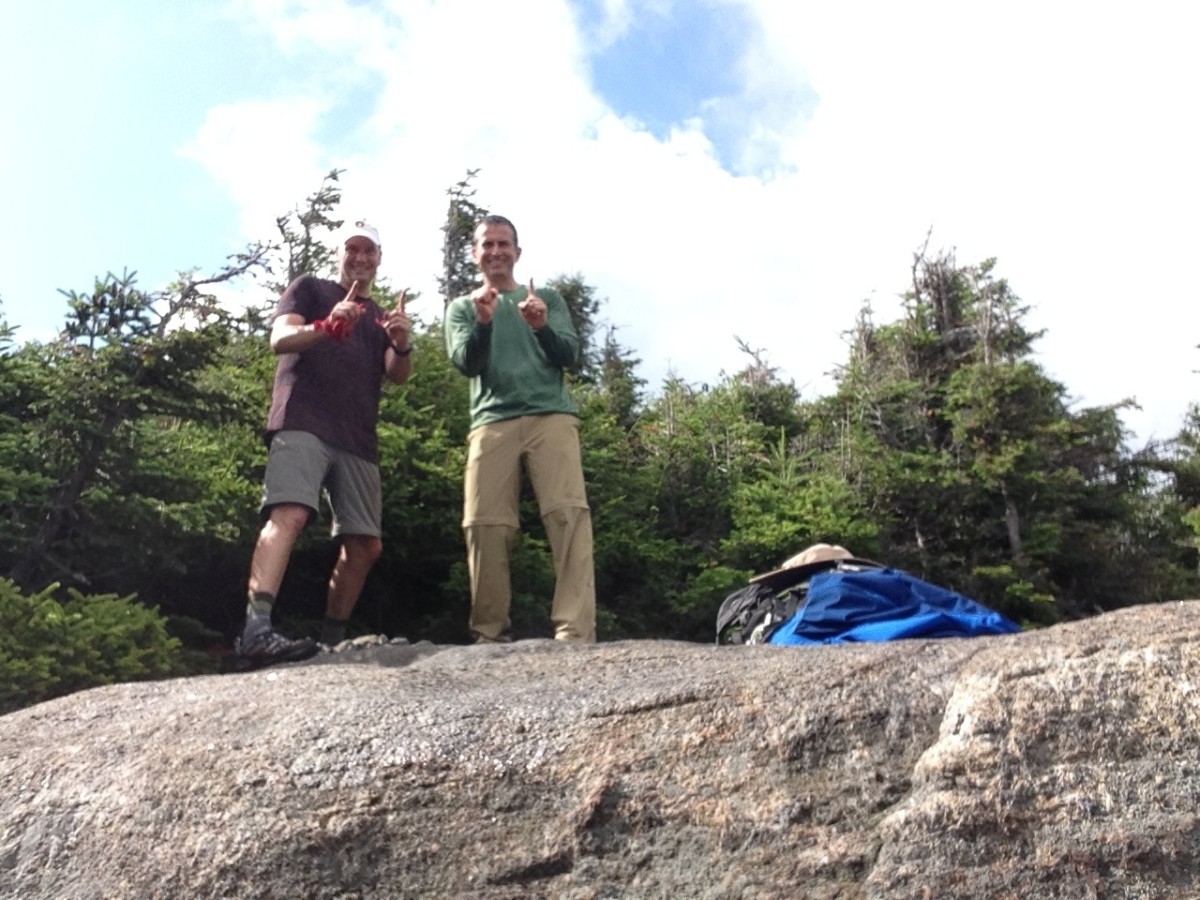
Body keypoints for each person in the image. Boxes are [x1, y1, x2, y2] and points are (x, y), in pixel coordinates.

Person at [234, 219, 413, 669]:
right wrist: (327, 325)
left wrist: (401, 343)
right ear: (339, 253)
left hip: (357, 436)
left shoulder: (378, 316)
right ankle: (255, 629)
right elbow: (280, 339)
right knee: (289, 514)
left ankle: (332, 640)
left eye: (368, 250)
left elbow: (397, 375)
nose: (360, 257)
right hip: (303, 420)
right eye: (352, 248)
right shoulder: (310, 289)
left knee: (365, 546)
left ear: (379, 258)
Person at [443, 214, 596, 643]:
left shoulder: (545, 299)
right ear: (474, 254)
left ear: (517, 251)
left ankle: (575, 631)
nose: (495, 251)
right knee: (483, 523)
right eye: (487, 244)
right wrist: (484, 322)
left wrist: (541, 326)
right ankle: (489, 632)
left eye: (503, 244)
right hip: (491, 421)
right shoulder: (462, 308)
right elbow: (466, 363)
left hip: (552, 416)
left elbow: (569, 355)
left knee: (568, 515)